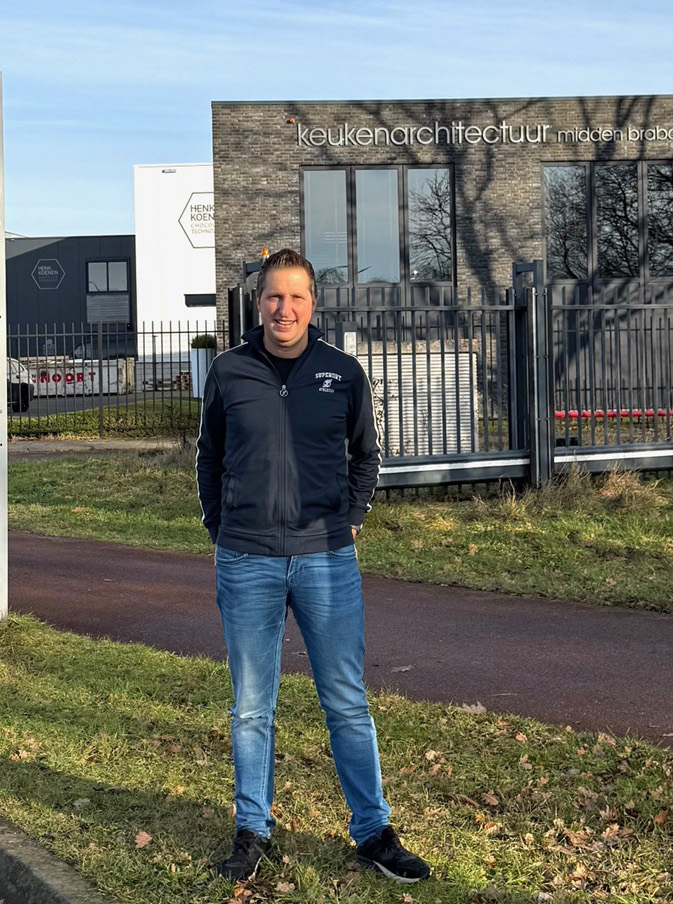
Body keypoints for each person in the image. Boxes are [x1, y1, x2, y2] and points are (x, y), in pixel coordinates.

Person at [195, 248, 430, 884]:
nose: (285, 308)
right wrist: (221, 526)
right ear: (258, 303)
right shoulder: (228, 371)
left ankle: (373, 832)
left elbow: (366, 455)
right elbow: (209, 456)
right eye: (274, 296)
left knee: (347, 701)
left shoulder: (343, 373)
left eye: (296, 297)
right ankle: (253, 829)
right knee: (251, 707)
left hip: (327, 559)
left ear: (313, 305)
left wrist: (350, 518)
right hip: (246, 560)